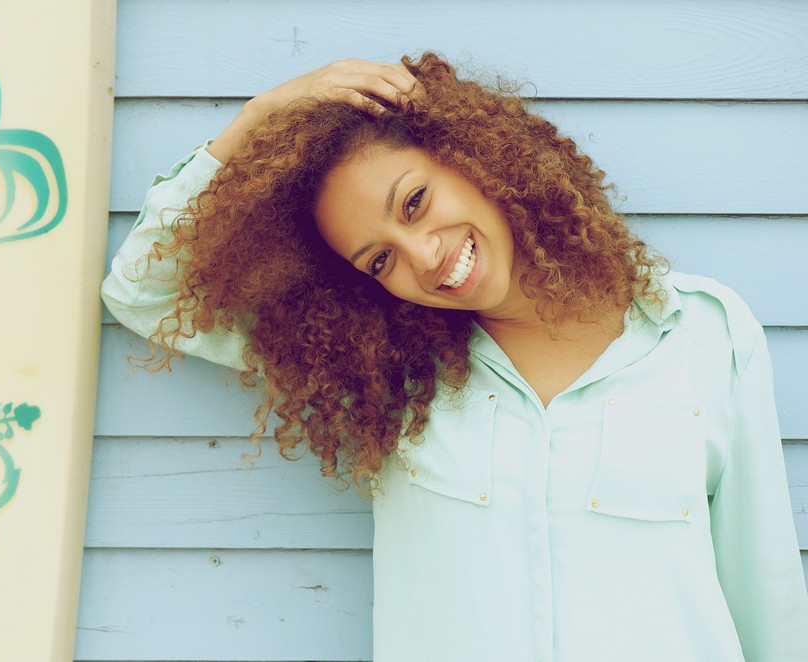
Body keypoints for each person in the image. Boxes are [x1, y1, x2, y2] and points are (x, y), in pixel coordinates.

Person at [102, 53, 808, 661]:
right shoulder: (384, 377)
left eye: (414, 202)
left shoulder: (703, 332)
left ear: (474, 158)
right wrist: (257, 117)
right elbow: (142, 292)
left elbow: (765, 596)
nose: (424, 255)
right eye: (379, 260)